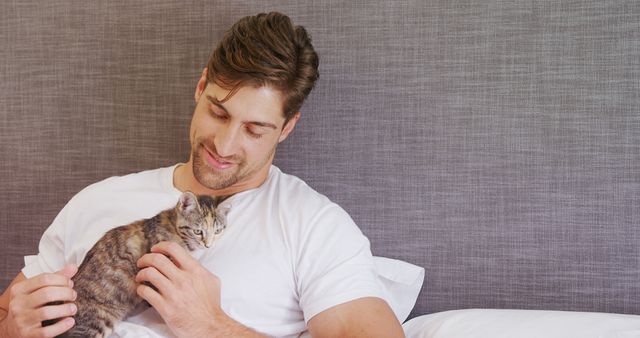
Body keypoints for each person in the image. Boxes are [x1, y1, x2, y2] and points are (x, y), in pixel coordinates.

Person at [0, 12, 404, 338]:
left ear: (286, 127)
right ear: (201, 87)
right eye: (218, 112)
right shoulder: (97, 200)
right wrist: (13, 330)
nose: (224, 146)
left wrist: (211, 325)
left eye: (254, 129)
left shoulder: (313, 226)